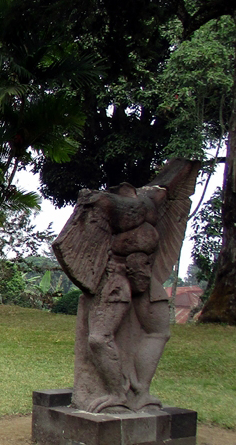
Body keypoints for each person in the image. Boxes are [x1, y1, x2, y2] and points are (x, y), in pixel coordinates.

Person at [52, 159, 198, 412]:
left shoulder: (148, 201)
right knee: (99, 337)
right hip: (115, 276)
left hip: (146, 274)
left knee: (159, 332)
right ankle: (117, 391)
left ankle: (140, 391)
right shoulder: (115, 205)